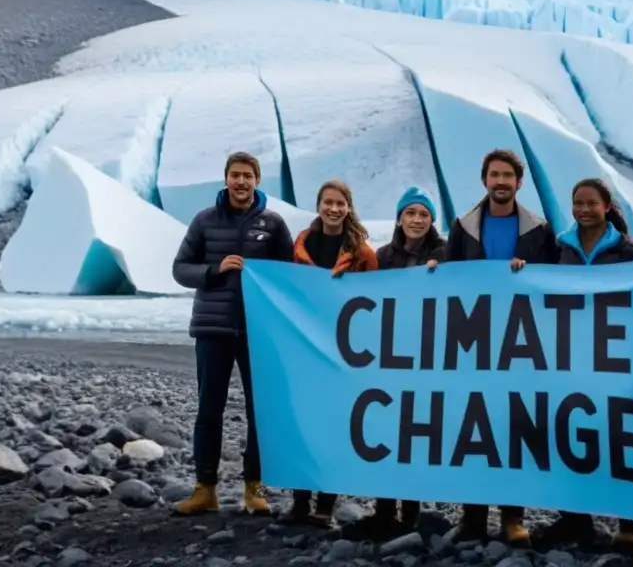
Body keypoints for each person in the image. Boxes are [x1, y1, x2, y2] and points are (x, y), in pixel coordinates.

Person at [170, 151, 295, 517]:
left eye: (248, 175)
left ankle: (253, 488)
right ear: (225, 179)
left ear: (258, 180)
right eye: (235, 175)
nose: (241, 182)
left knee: (260, 411)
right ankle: (204, 488)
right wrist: (214, 269)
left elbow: (288, 275)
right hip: (213, 328)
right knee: (209, 410)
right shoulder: (204, 221)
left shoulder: (273, 224)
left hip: (257, 331)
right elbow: (180, 268)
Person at [444, 148, 559, 546]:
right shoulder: (463, 227)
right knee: (473, 427)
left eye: (507, 175)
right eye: (494, 174)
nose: (501, 182)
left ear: (519, 182)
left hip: (521, 344)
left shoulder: (538, 230)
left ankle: (513, 516)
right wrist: (431, 274)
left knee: (515, 428)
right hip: (474, 341)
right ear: (484, 180)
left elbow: (554, 285)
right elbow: (448, 281)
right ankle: (472, 517)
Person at [531, 178, 633, 554]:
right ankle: (575, 519)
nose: (582, 210)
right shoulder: (561, 246)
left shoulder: (628, 250)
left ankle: (629, 524)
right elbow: (542, 285)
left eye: (590, 203)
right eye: (577, 203)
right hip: (568, 356)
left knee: (617, 434)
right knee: (568, 431)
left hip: (613, 357)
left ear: (607, 206)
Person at [342, 186, 446, 540]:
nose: (416, 220)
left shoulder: (446, 255)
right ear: (400, 218)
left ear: (432, 220)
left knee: (418, 431)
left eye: (424, 214)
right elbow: (361, 297)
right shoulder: (383, 257)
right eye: (410, 213)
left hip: (429, 359)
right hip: (388, 358)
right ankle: (385, 510)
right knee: (388, 430)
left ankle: (412, 513)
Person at [283, 179, 379, 528]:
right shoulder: (301, 246)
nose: (334, 209)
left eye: (340, 203)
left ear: (348, 207)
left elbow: (377, 302)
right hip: (305, 348)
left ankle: (325, 505)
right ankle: (299, 502)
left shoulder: (362, 253)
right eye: (328, 202)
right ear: (318, 204)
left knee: (333, 424)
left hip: (344, 352)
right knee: (302, 422)